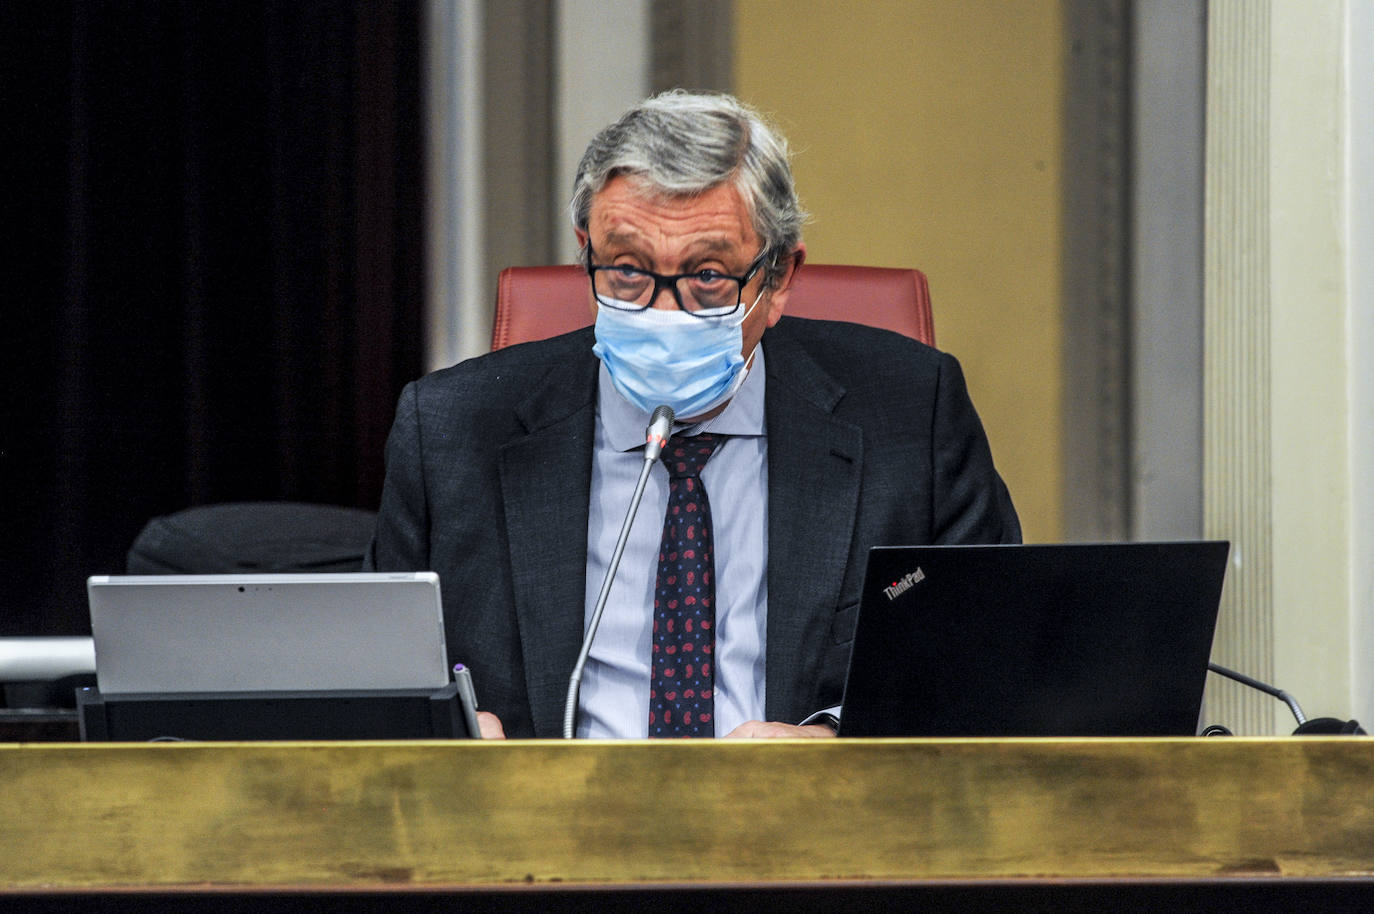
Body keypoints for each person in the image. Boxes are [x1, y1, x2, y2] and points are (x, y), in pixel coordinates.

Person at [367, 91, 1020, 739]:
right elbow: (378, 685)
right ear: (584, 250)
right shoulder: (450, 430)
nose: (664, 311)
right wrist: (440, 734)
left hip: (809, 827)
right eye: (626, 270)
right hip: (545, 831)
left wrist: (832, 745)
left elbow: (991, 660)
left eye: (708, 275)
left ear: (780, 277)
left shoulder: (910, 416)